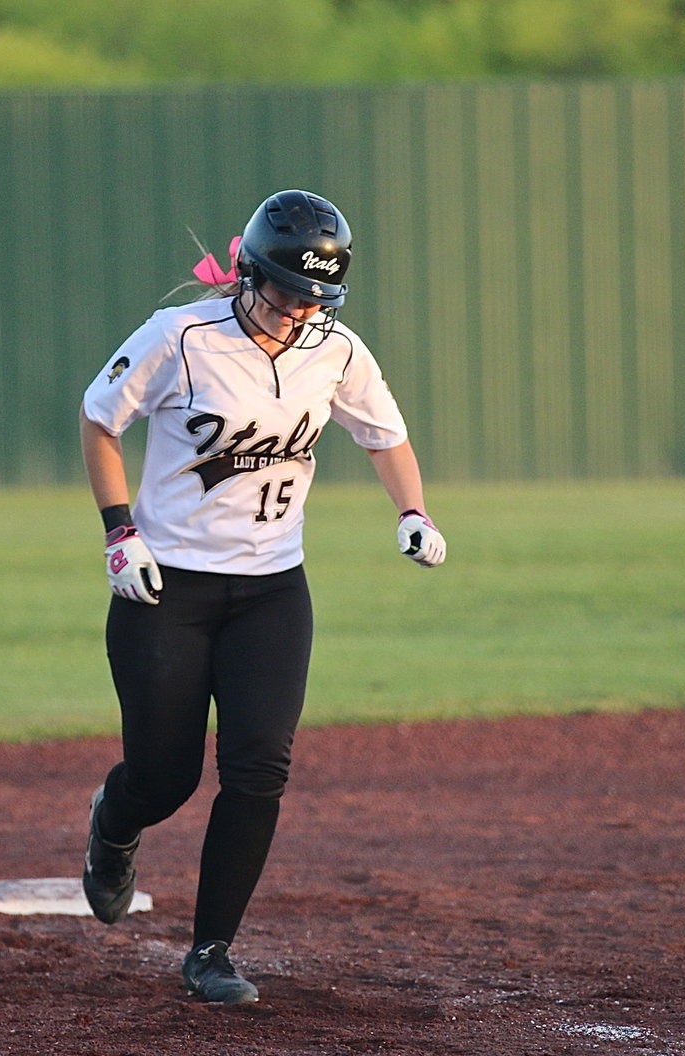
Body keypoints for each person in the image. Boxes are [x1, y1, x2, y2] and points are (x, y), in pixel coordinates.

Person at [78, 189, 446, 1004]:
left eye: (317, 296)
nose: (298, 310)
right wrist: (118, 531)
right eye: (285, 290)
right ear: (247, 272)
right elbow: (98, 419)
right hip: (165, 586)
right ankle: (115, 818)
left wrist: (413, 511)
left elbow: (386, 436)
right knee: (166, 776)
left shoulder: (337, 350)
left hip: (273, 589)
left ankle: (211, 951)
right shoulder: (181, 336)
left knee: (258, 767)